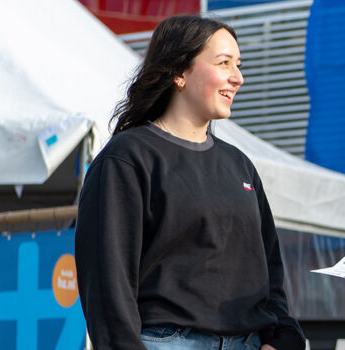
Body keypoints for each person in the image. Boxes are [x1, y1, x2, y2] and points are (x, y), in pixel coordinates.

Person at [75, 15, 305, 350]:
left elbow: (269, 271)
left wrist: (284, 338)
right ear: (179, 73)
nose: (237, 77)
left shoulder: (239, 164)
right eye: (223, 63)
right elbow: (109, 284)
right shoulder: (127, 158)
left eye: (238, 64)